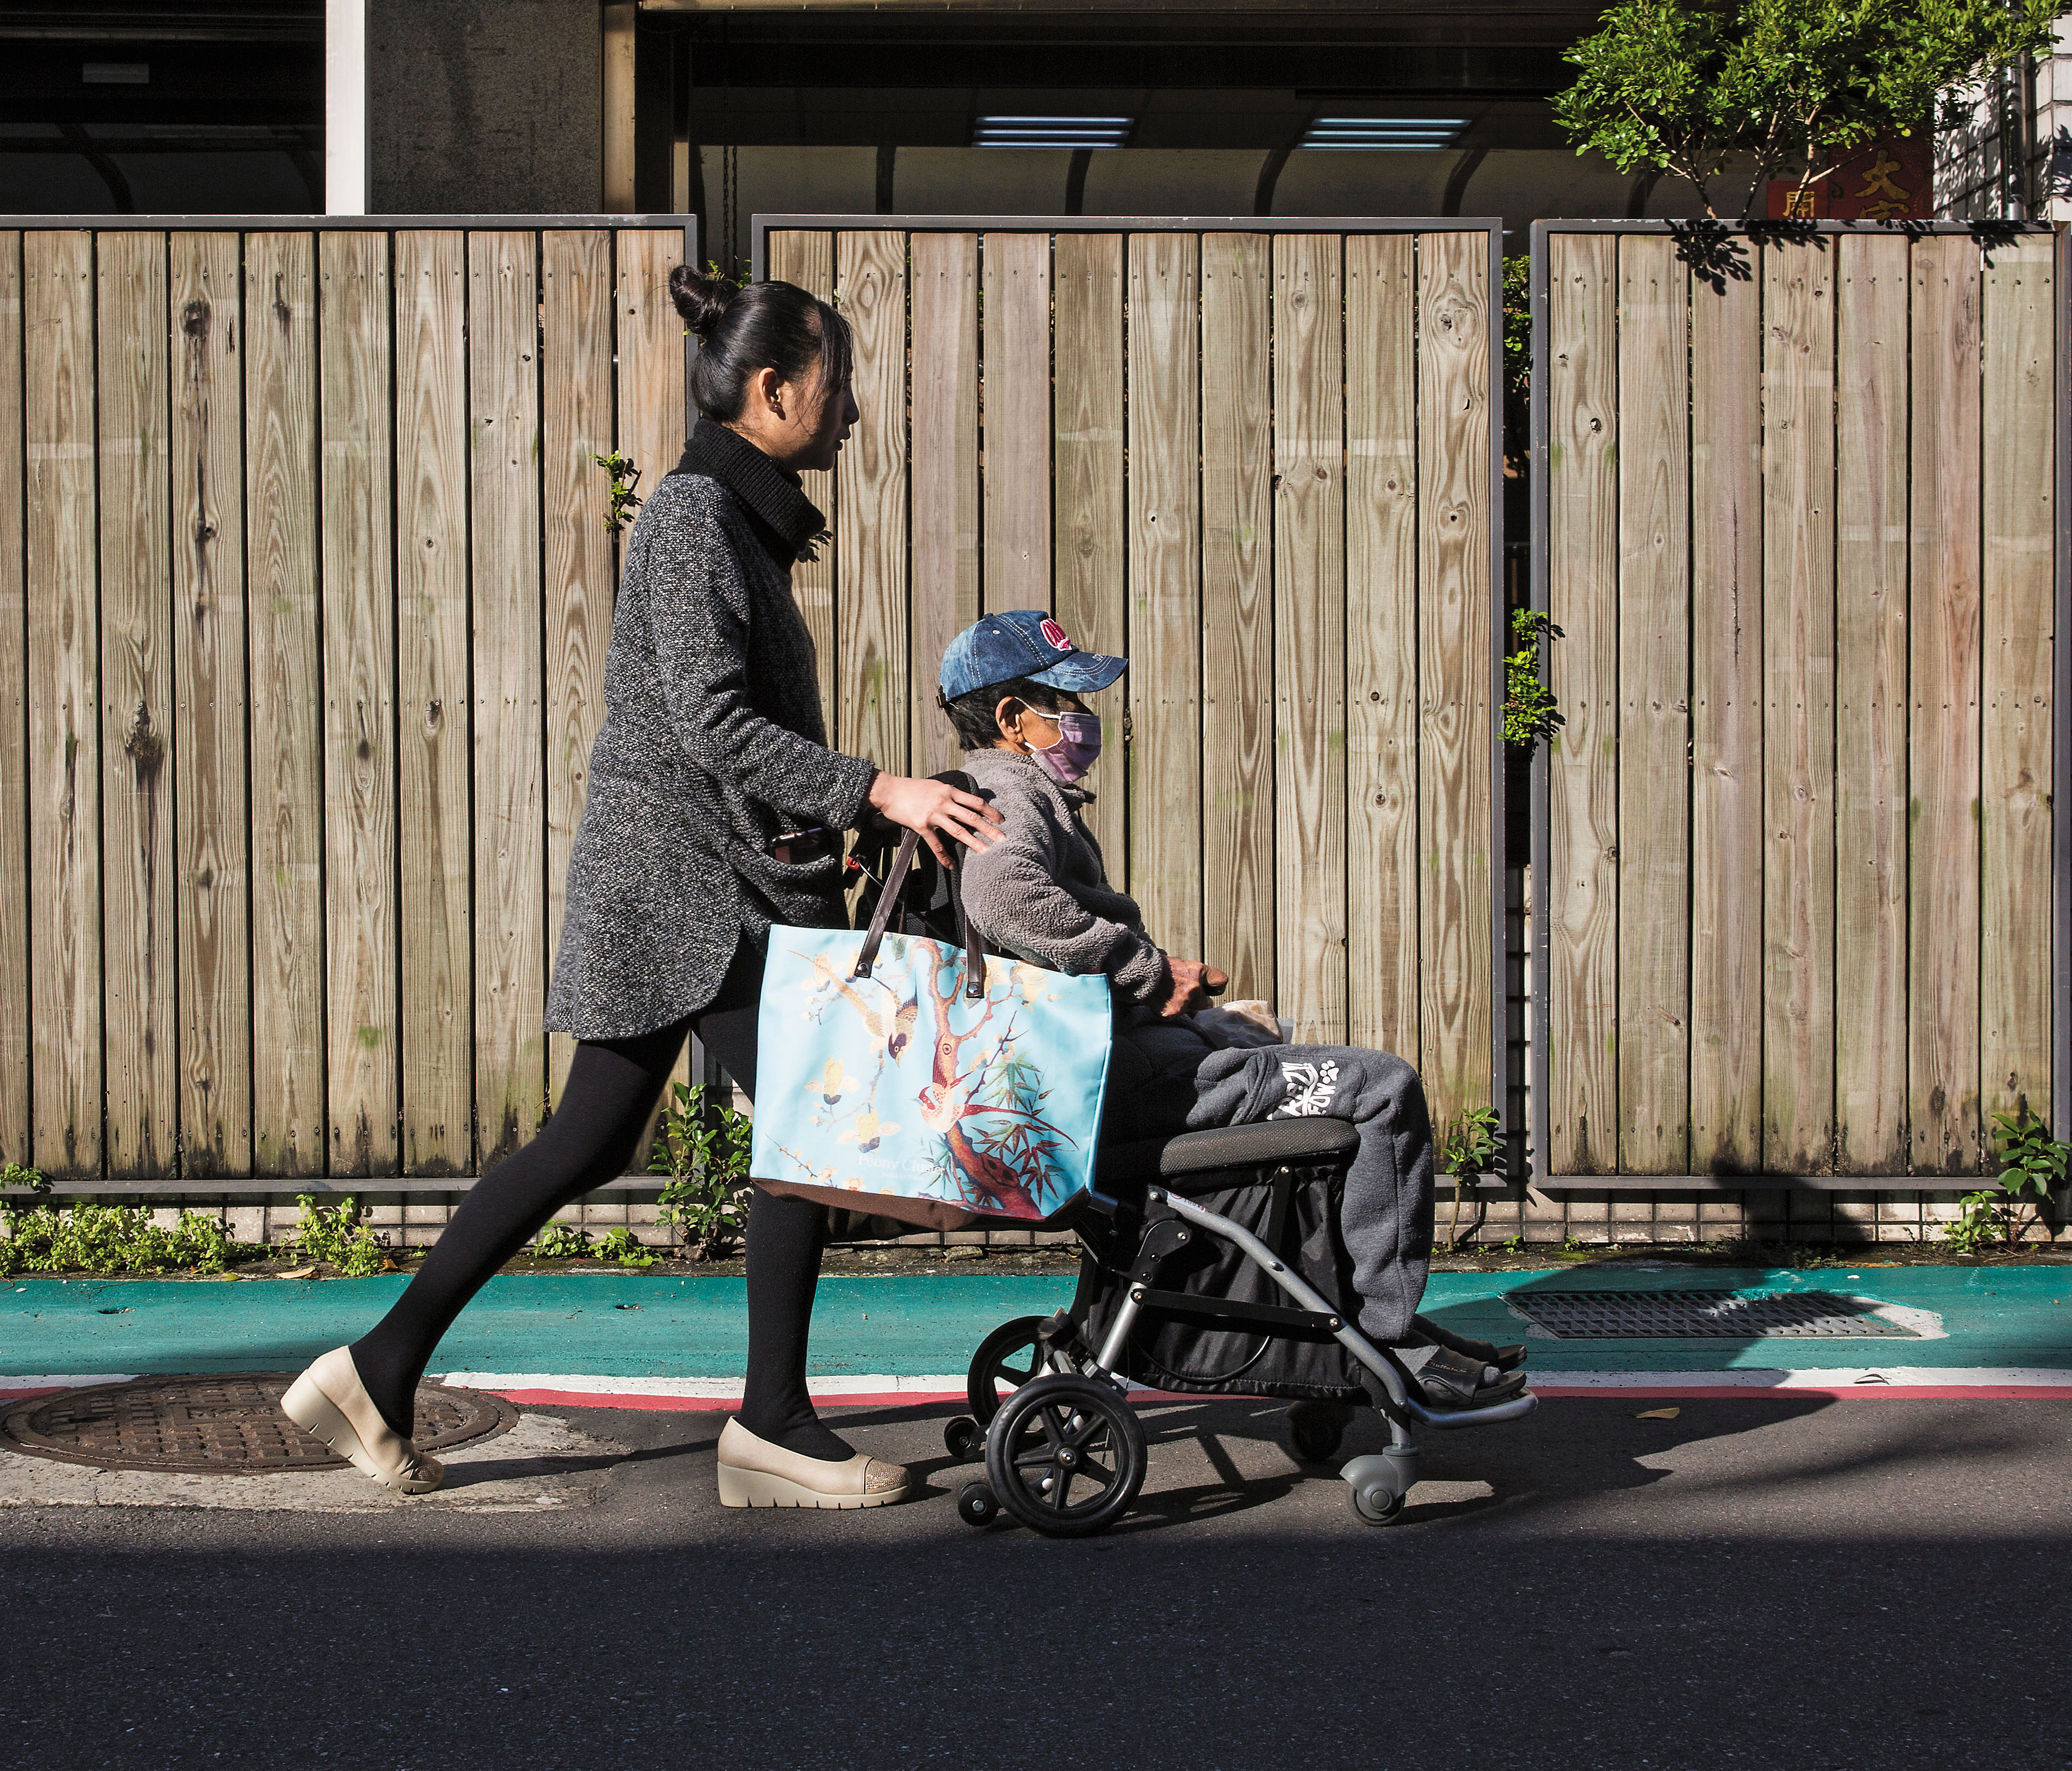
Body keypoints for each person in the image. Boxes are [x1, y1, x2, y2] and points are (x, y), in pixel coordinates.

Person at [281, 268, 1004, 1510]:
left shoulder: (735, 523)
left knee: (588, 1139)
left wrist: (830, 817)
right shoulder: (689, 521)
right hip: (689, 893)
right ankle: (771, 1425)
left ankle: (377, 1368)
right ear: (772, 392)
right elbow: (708, 720)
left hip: (707, 883)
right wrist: (875, 791)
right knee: (802, 1127)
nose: (854, 415)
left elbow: (722, 731)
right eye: (838, 389)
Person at [933, 610, 1517, 1408]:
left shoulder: (1009, 792)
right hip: (1120, 1081)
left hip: (1112, 1063)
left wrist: (1174, 991)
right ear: (1010, 717)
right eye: (1066, 700)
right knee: (1381, 1087)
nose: (1085, 720)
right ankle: (1384, 1336)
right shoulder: (1012, 790)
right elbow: (1003, 896)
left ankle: (1358, 1315)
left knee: (1253, 1035)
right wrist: (1146, 968)